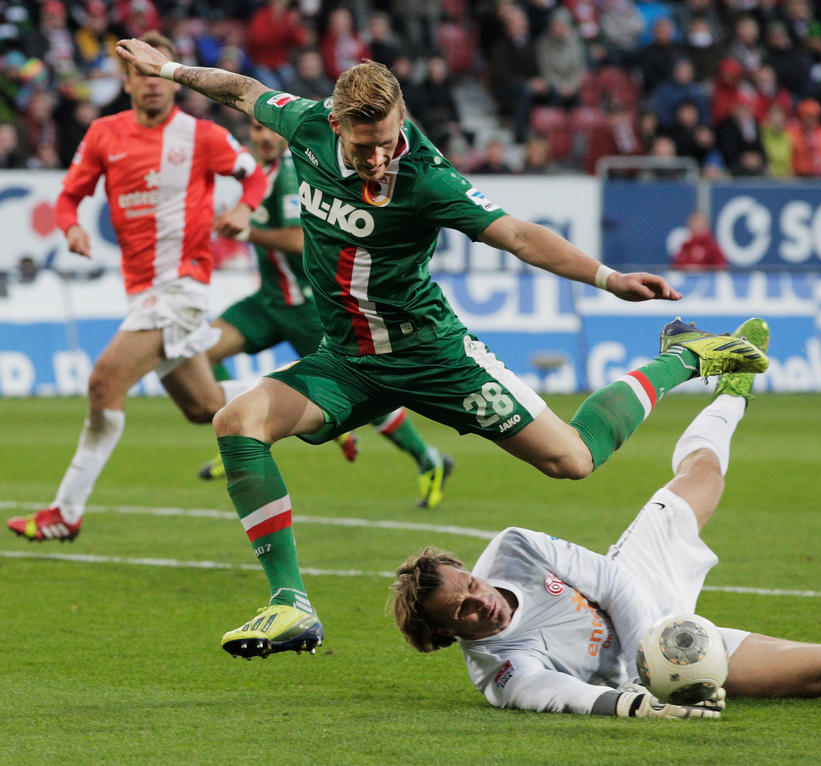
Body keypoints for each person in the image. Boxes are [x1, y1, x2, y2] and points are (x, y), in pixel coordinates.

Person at [113, 38, 769, 660]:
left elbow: (516, 234)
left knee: (571, 460)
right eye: (365, 145)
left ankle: (683, 354)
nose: (379, 157)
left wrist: (608, 278)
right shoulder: (306, 125)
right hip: (345, 359)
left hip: (432, 355)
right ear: (336, 124)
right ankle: (290, 603)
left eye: (388, 139)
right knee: (236, 421)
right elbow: (240, 88)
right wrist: (167, 72)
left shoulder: (426, 177)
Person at [391, 319, 821, 718]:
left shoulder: (514, 548)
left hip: (639, 589)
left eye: (470, 586)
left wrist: (650, 653)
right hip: (665, 668)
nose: (481, 604)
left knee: (703, 477)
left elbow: (610, 582)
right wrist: (646, 696)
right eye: (464, 613)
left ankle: (730, 389)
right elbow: (567, 696)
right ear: (448, 634)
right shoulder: (500, 673)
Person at [6, 31, 267, 543]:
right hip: (142, 291)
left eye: (159, 73)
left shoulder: (203, 135)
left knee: (104, 382)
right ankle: (304, 391)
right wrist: (73, 226)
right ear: (126, 81)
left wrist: (243, 206)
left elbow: (253, 174)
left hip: (183, 288)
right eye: (140, 74)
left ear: (172, 81)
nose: (151, 84)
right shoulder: (104, 134)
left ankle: (66, 511)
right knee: (203, 407)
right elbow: (68, 197)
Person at [199, 117, 455, 510]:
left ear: (284, 133)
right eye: (255, 129)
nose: (263, 136)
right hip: (267, 302)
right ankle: (237, 436)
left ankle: (428, 459)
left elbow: (298, 239)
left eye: (269, 129)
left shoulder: (289, 173)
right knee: (202, 349)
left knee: (363, 394)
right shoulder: (258, 174)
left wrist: (245, 231)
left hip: (308, 306)